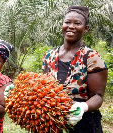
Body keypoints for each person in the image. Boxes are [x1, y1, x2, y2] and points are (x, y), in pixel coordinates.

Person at [42, 5, 108, 133]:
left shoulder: (91, 57)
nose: (71, 26)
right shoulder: (49, 56)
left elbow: (98, 96)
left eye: (77, 23)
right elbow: (43, 90)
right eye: (67, 22)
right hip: (53, 123)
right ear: (62, 25)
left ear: (85, 29)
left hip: (84, 124)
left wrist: (83, 107)